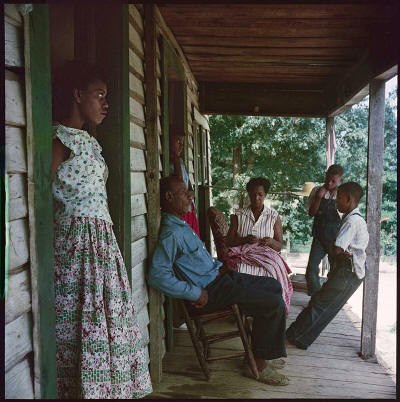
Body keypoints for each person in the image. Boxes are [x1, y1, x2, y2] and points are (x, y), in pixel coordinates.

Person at [51, 60, 152, 398]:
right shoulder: (58, 139)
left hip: (103, 248)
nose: (105, 104)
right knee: (81, 326)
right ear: (78, 95)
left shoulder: (92, 143)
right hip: (76, 248)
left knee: (108, 325)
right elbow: (43, 195)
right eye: (99, 95)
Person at [148, 176, 290, 386]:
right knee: (272, 302)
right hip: (211, 291)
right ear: (169, 197)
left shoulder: (180, 224)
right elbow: (157, 275)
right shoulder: (171, 233)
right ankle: (258, 365)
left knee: (273, 285)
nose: (190, 195)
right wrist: (194, 293)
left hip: (220, 279)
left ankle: (259, 351)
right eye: (184, 193)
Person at [286, 182, 369, 350]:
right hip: (350, 271)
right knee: (325, 306)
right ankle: (300, 338)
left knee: (320, 304)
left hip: (348, 272)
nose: (336, 202)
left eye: (339, 199)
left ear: (349, 198)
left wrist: (333, 248)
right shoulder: (354, 218)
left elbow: (337, 249)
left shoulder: (352, 221)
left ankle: (292, 337)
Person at [224, 177, 293, 315]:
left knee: (272, 271)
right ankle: (245, 310)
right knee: (240, 269)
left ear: (265, 195)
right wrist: (244, 239)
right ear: (248, 194)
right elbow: (229, 241)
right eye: (253, 194)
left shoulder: (273, 216)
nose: (256, 198)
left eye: (260, 194)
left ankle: (268, 309)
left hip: (266, 255)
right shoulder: (239, 215)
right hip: (244, 255)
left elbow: (279, 245)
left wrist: (271, 242)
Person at [305, 164, 344, 296]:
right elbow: (311, 213)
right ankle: (315, 298)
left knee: (335, 270)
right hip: (319, 238)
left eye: (333, 181)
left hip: (336, 240)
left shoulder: (342, 194)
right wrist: (319, 198)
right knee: (311, 269)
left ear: (340, 181)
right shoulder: (317, 190)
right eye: (327, 179)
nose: (329, 183)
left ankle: (329, 298)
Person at [169, 131, 200, 237]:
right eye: (178, 141)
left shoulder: (181, 162)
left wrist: (191, 194)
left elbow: (189, 187)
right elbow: (180, 183)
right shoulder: (168, 163)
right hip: (178, 211)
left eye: (182, 142)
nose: (181, 145)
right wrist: (176, 161)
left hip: (188, 208)